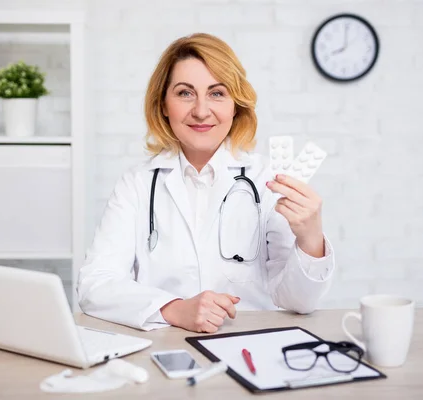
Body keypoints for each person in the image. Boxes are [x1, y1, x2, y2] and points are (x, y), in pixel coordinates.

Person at [78, 33, 335, 333]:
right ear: (163, 104)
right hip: (166, 347)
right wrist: (173, 309)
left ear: (235, 105)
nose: (201, 111)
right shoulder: (137, 184)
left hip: (249, 345)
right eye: (185, 93)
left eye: (217, 93)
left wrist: (310, 239)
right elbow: (95, 284)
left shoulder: (267, 180)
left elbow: (299, 302)